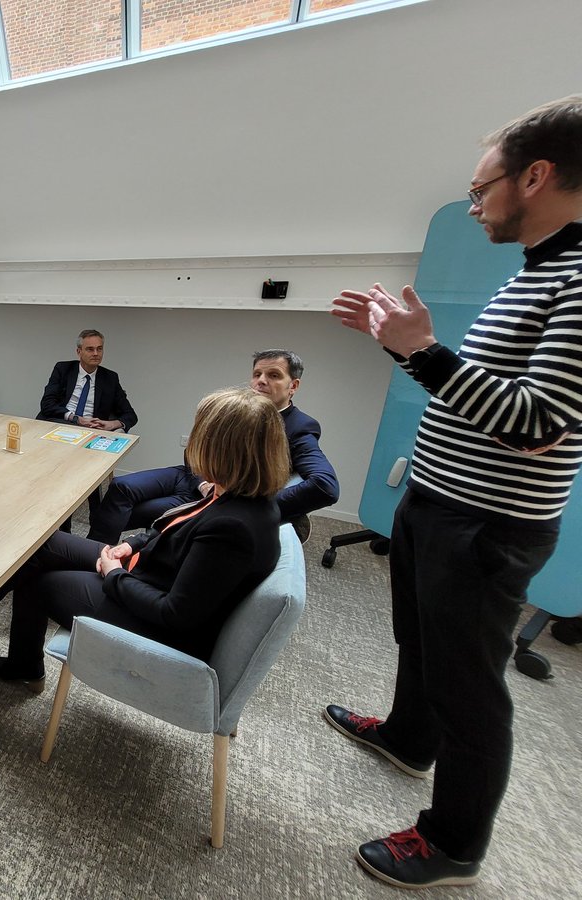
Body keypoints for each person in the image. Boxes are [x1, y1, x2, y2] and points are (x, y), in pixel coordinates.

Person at [326, 96, 582, 889]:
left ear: (533, 176)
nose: (474, 206)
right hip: (441, 502)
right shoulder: (534, 274)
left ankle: (454, 842)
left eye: (481, 190)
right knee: (422, 644)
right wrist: (404, 349)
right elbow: (475, 396)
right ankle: (408, 737)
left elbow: (537, 423)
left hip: (486, 524)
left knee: (471, 690)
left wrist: (425, 350)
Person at [0, 387, 287, 690]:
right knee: (42, 545)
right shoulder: (238, 494)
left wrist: (114, 575)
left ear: (222, 448)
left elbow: (174, 614)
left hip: (157, 622)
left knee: (37, 582)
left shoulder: (233, 528)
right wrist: (133, 544)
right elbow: (173, 526)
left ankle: (20, 663)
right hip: (149, 572)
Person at [86, 350, 338, 545]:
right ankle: (91, 555)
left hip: (216, 496)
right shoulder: (239, 408)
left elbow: (325, 486)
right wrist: (201, 481)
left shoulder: (300, 426)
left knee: (124, 514)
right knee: (120, 488)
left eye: (273, 375)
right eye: (257, 374)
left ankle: (102, 558)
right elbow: (194, 448)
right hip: (191, 476)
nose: (261, 381)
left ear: (293, 386)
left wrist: (246, 506)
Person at [36, 329, 137, 432]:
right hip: (59, 423)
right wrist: (76, 418)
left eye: (99, 349)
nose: (96, 353)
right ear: (79, 351)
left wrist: (112, 424)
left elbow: (130, 415)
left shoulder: (110, 378)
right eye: (90, 349)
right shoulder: (63, 369)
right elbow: (47, 404)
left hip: (90, 430)